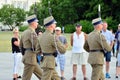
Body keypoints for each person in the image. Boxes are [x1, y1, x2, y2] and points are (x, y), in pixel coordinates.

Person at [36, 16, 66, 80]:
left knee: (57, 78)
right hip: (49, 62)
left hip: (45, 61)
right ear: (51, 25)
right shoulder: (52, 37)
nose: (55, 25)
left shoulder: (41, 36)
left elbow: (37, 51)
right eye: (54, 23)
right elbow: (63, 50)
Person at [20, 14, 42, 80]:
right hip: (30, 59)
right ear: (33, 23)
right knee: (26, 78)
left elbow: (21, 46)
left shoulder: (24, 32)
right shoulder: (32, 32)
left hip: (29, 58)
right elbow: (36, 45)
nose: (37, 23)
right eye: (36, 22)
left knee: (43, 76)